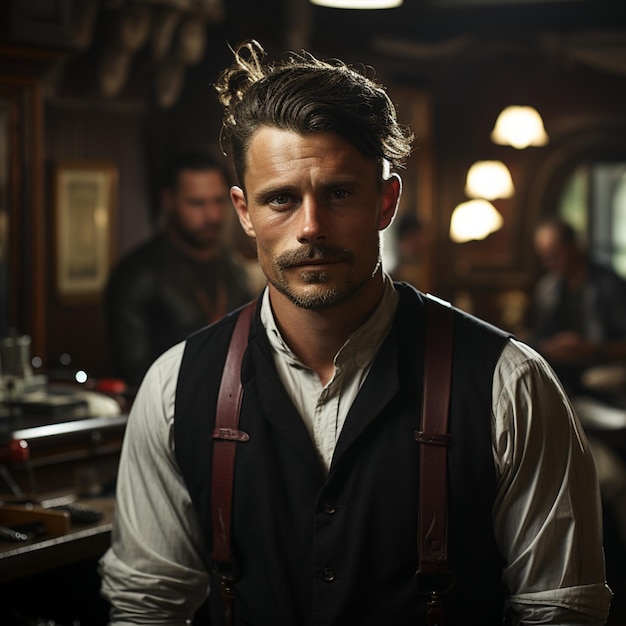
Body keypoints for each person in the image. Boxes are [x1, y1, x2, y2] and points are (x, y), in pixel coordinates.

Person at [99, 41, 612, 624]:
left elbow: (562, 613)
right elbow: (146, 609)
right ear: (244, 212)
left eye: (339, 193)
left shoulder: (509, 385)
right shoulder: (174, 388)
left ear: (386, 200)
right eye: (281, 200)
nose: (311, 227)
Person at [105, 151, 253, 389]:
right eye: (197, 203)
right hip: (170, 411)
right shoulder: (138, 274)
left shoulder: (233, 267)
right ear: (168, 201)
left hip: (235, 405)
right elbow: (136, 374)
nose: (212, 215)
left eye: (218, 201)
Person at [530, 215, 626, 399]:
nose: (550, 263)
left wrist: (591, 349)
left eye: (555, 254)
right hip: (561, 372)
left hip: (603, 370)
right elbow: (541, 334)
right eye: (545, 257)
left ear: (574, 246)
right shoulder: (547, 289)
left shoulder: (609, 285)